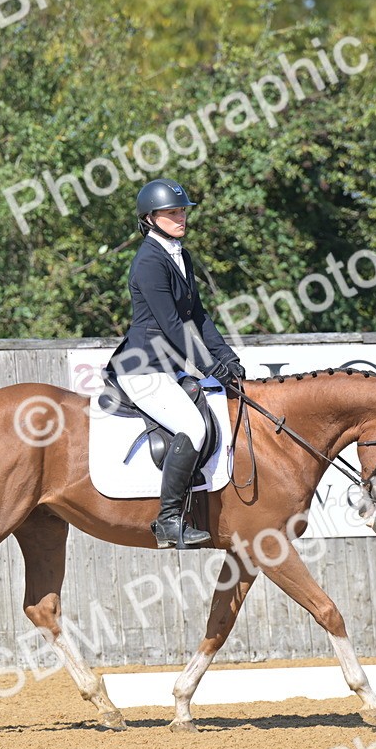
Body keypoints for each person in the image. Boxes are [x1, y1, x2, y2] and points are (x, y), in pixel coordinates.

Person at [107, 178, 246, 549]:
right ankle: (169, 520)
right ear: (150, 218)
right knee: (193, 427)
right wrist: (207, 365)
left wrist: (227, 358)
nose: (181, 217)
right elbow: (172, 324)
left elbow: (198, 316)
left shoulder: (179, 255)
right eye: (172, 212)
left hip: (169, 367)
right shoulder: (149, 261)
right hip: (144, 367)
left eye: (182, 211)